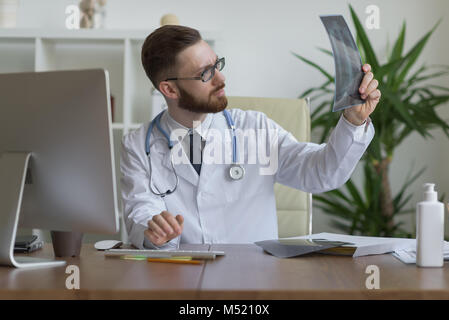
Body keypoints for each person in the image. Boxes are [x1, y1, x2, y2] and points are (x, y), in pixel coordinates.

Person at [120, 25, 381, 249]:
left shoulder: (254, 130)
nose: (221, 79)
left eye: (217, 65)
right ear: (169, 89)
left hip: (254, 280)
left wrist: (353, 122)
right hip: (181, 278)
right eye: (205, 73)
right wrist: (155, 232)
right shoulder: (137, 145)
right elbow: (140, 211)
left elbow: (321, 173)